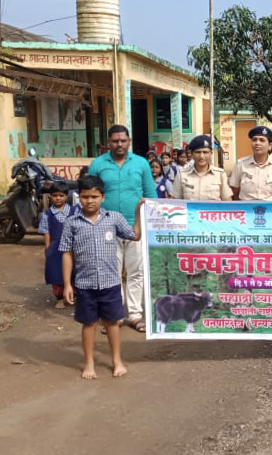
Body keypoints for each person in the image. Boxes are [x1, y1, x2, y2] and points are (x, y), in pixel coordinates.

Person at [60, 176, 140, 379]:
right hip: (85, 285)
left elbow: (135, 235)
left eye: (94, 196)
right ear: (79, 198)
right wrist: (68, 284)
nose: (90, 201)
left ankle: (117, 361)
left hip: (111, 283)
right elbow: (67, 253)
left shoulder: (114, 218)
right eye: (85, 197)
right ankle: (89, 363)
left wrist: (140, 211)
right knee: (89, 324)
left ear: (103, 197)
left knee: (113, 323)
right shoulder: (72, 223)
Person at [88, 125, 157, 333]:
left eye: (123, 141)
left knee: (136, 271)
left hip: (136, 226)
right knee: (112, 273)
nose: (119, 144)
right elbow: (90, 192)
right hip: (106, 226)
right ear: (108, 143)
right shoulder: (98, 164)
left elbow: (151, 193)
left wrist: (151, 220)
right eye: (115, 141)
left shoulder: (141, 163)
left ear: (129, 141)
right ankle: (113, 315)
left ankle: (135, 315)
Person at [39, 181, 79, 309]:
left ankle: (74, 295)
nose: (58, 198)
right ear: (50, 196)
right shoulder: (47, 214)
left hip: (73, 247)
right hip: (55, 248)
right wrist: (48, 249)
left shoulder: (74, 211)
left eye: (61, 195)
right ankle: (60, 298)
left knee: (75, 272)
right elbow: (46, 232)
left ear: (66, 196)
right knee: (56, 273)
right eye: (55, 195)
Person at [229, 125, 272, 200]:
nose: (257, 143)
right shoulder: (240, 164)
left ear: (270, 146)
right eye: (254, 140)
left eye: (262, 140)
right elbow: (235, 191)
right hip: (248, 209)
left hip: (271, 209)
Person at [172, 135, 232, 201]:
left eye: (205, 152)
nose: (201, 156)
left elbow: (227, 202)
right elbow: (175, 202)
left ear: (211, 154)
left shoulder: (220, 175)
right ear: (191, 154)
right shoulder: (181, 175)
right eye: (198, 152)